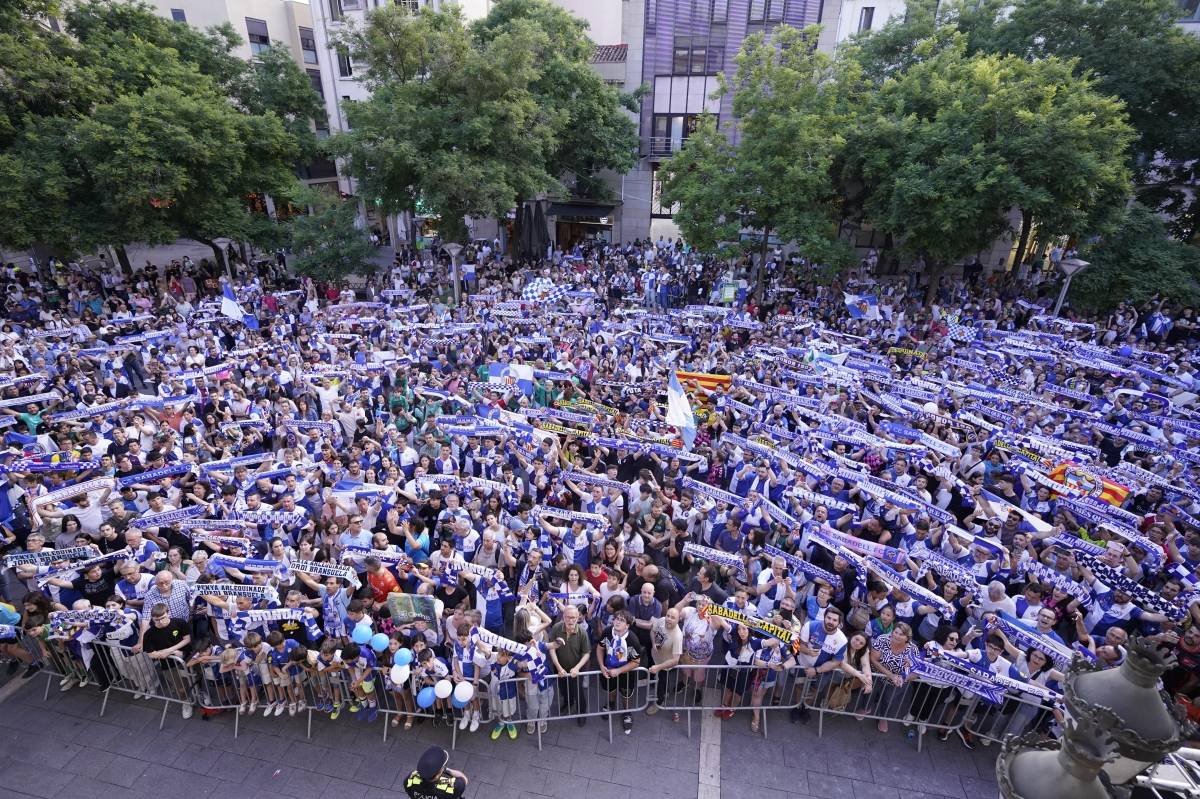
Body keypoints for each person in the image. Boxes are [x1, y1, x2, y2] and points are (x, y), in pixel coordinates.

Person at [403, 746, 468, 799]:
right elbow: (464, 779)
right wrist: (446, 769)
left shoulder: (410, 779)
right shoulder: (454, 785)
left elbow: (408, 789)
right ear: (438, 775)